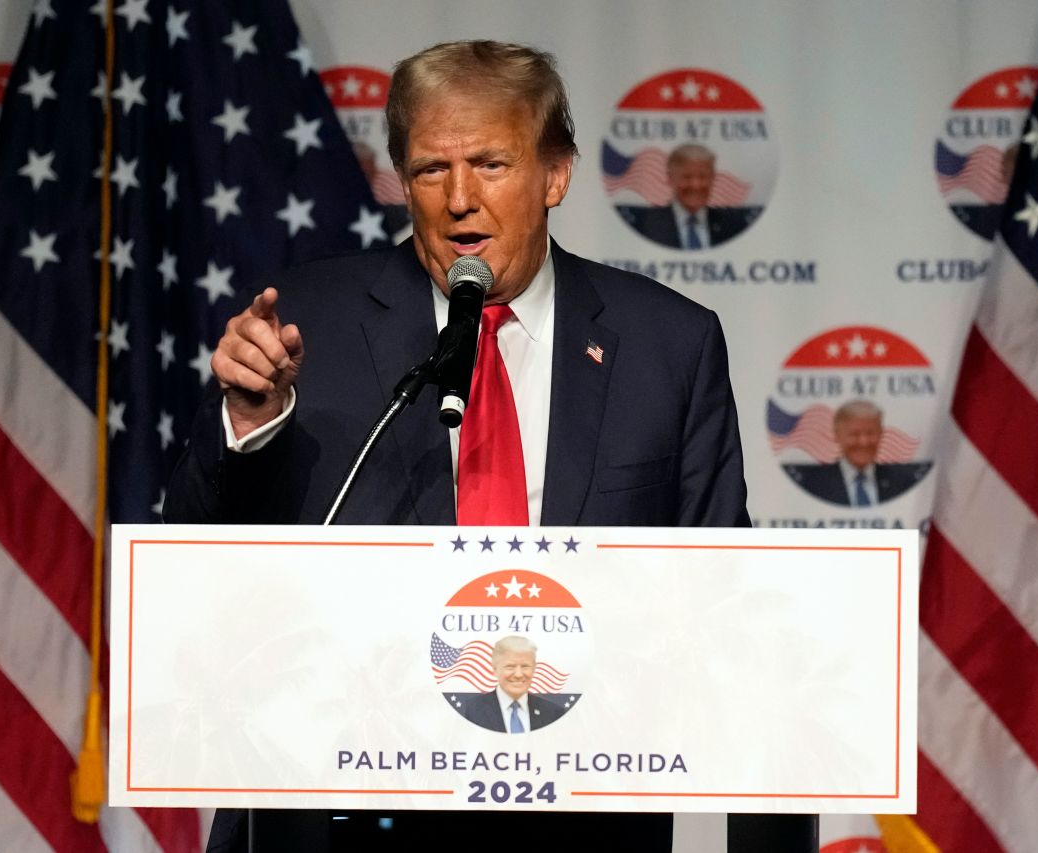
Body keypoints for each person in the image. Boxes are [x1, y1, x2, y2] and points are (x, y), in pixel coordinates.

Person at [167, 39, 749, 853]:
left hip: (578, 816)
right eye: (432, 170)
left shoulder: (669, 345)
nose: (460, 200)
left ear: (556, 175)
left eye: (491, 164)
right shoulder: (309, 323)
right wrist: (250, 421)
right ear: (404, 182)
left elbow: (728, 601)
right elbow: (202, 547)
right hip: (346, 814)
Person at [783, 400, 931, 507]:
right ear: (837, 435)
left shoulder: (903, 483)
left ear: (881, 434)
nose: (864, 442)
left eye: (871, 433)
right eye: (854, 434)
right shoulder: (813, 485)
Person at [634, 144, 748, 249]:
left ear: (713, 178)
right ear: (670, 178)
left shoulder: (733, 225)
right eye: (687, 177)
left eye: (703, 177)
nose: (696, 185)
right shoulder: (646, 225)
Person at [459, 636, 567, 733]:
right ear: (495, 669)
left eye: (525, 666)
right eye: (510, 666)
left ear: (534, 668)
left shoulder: (553, 713)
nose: (519, 674)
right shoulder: (471, 711)